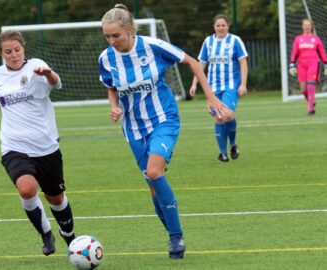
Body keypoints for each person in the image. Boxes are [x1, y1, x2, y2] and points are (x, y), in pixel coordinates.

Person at [98, 4, 227, 259]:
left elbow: (192, 63)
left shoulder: (152, 46)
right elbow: (111, 86)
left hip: (163, 118)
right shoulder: (105, 58)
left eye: (116, 35)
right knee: (153, 186)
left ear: (129, 29)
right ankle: (173, 232)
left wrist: (210, 97)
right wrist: (114, 107)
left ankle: (175, 236)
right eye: (107, 36)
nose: (112, 41)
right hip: (134, 129)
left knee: (155, 171)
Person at [0, 30, 75, 256]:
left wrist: (48, 73)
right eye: (8, 52)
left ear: (24, 48)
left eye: (17, 50)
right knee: (27, 188)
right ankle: (45, 234)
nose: (14, 55)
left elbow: (56, 83)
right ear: (0, 53)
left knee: (55, 197)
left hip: (46, 145)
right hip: (14, 146)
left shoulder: (37, 66)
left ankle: (69, 236)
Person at [189, 14, 248, 162]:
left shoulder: (235, 40)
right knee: (218, 117)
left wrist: (243, 84)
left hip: (231, 85)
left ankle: (233, 144)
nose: (221, 28)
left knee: (227, 115)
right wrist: (194, 83)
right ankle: (223, 154)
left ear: (228, 26)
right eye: (218, 25)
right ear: (214, 27)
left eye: (223, 25)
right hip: (213, 87)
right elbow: (200, 64)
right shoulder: (208, 42)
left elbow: (243, 62)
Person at [289, 18, 327, 115]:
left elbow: (322, 52)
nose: (307, 27)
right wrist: (292, 63)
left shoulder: (316, 39)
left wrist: (326, 63)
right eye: (305, 25)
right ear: (302, 27)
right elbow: (294, 52)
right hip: (301, 65)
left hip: (313, 64)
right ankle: (311, 102)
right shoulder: (298, 39)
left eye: (308, 25)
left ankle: (310, 108)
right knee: (303, 89)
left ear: (311, 27)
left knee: (311, 85)